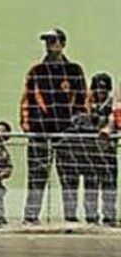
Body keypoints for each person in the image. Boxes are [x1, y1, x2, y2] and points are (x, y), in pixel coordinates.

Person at [20, 28, 87, 224]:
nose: (50, 45)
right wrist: (27, 126)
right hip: (40, 132)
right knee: (37, 175)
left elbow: (84, 98)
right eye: (47, 41)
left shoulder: (74, 70)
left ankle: (70, 217)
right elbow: (26, 99)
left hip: (68, 133)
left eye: (54, 41)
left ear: (63, 44)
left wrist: (79, 125)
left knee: (70, 175)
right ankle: (30, 217)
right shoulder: (36, 70)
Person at [86, 72, 117, 225]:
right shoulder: (87, 106)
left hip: (109, 151)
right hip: (91, 152)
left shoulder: (113, 105)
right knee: (90, 185)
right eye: (97, 88)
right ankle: (91, 217)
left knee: (109, 185)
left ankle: (109, 216)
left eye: (104, 89)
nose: (100, 92)